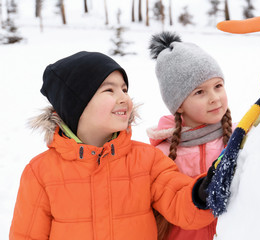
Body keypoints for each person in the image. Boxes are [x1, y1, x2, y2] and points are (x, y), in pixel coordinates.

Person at [9, 51, 215, 240]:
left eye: (124, 89)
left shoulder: (147, 160)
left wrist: (201, 192)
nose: (124, 97)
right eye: (109, 90)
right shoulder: (40, 173)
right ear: (76, 105)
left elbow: (179, 201)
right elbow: (26, 235)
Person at [147, 32, 233, 240]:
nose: (214, 98)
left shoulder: (240, 140)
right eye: (199, 92)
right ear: (179, 105)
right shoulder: (160, 154)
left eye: (218, 86)